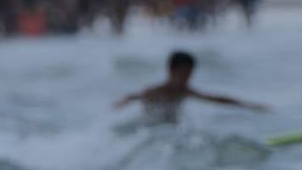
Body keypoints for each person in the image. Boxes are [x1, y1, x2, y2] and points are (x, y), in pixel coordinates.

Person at [115, 51, 269, 122]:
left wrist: (249, 106)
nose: (186, 78)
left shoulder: (184, 92)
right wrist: (121, 105)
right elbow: (132, 97)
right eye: (183, 73)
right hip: (150, 127)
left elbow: (217, 99)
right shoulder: (157, 91)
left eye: (189, 74)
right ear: (170, 70)